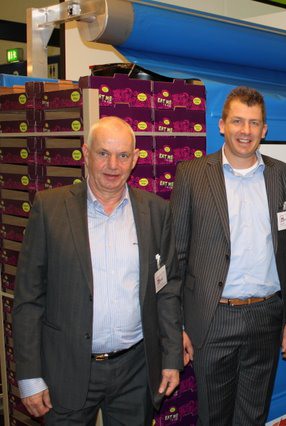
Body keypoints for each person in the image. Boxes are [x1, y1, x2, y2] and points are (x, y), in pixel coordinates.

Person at [13, 116, 182, 424]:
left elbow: (166, 290)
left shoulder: (156, 211)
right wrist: (29, 375)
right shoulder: (50, 209)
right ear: (86, 153)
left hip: (136, 370)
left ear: (135, 159)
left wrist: (171, 357)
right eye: (103, 153)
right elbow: (28, 298)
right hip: (67, 369)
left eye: (123, 155)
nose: (113, 165)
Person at [170, 86, 286, 425]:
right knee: (214, 417)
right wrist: (176, 325)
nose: (245, 131)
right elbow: (177, 255)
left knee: (253, 416)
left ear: (265, 130)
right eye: (237, 121)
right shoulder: (192, 174)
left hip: (266, 315)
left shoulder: (282, 175)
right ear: (222, 125)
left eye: (254, 123)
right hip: (213, 317)